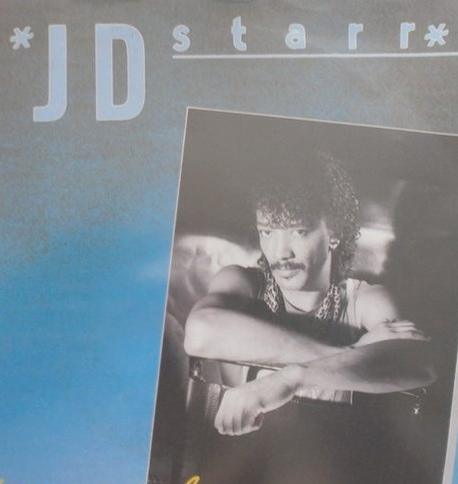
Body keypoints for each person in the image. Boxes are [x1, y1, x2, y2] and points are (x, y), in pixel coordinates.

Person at [183, 152, 436, 436]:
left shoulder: (365, 300)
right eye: (267, 232)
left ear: (334, 233)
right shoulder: (242, 283)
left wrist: (292, 379)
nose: (281, 252)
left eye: (299, 231)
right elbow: (200, 333)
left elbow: (418, 363)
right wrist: (350, 353)